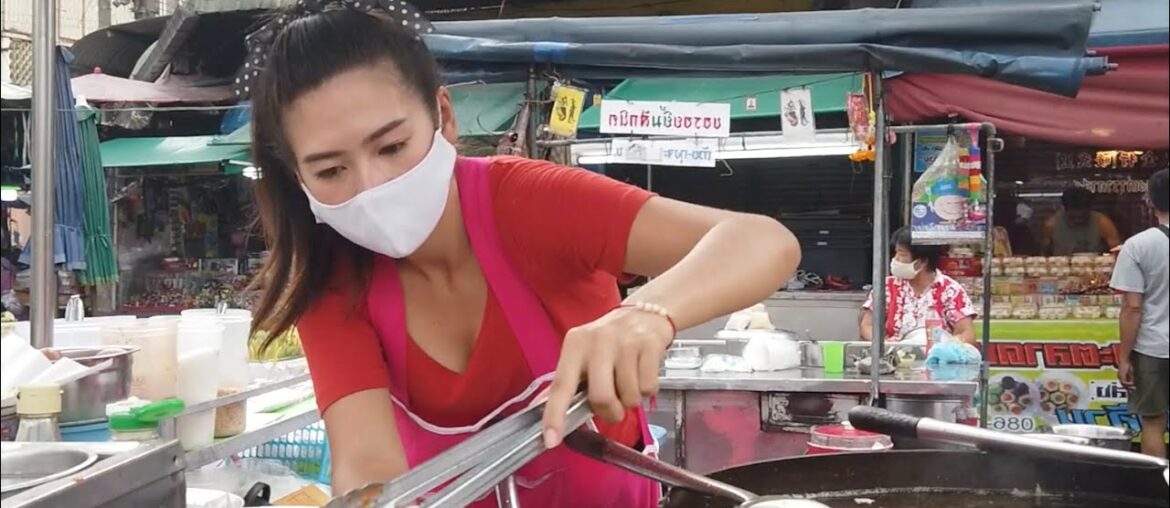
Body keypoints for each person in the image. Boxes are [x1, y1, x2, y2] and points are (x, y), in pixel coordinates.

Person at [243, 3, 801, 505]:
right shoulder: (330, 280)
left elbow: (763, 241)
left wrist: (646, 313)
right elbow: (367, 467)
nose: (372, 185)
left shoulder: (527, 202)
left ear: (445, 116)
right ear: (297, 178)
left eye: (392, 147)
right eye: (331, 170)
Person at [1110, 169, 1169, 458]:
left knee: (1153, 423)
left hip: (1153, 348)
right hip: (1154, 346)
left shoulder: (1137, 246)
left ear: (1150, 202)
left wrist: (1124, 357)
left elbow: (1133, 307)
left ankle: (1159, 492)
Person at [859, 227, 976, 344]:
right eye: (896, 254)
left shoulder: (951, 290)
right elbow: (867, 326)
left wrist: (948, 346)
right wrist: (886, 345)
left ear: (922, 262)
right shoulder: (886, 287)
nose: (896, 259)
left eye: (902, 254)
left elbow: (967, 333)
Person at [1041, 187, 1122, 255]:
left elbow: (1117, 252)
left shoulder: (1102, 223)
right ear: (1065, 209)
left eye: (1083, 215)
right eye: (1073, 216)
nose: (1078, 219)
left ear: (1089, 208)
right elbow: (1043, 254)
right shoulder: (1052, 225)